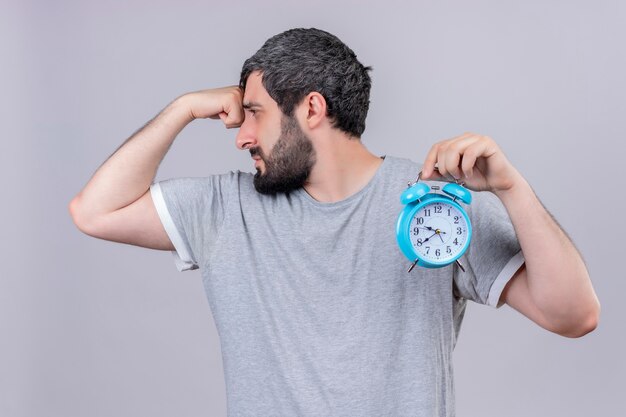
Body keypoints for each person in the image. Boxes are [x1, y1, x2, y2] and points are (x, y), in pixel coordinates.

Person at [69, 28, 600, 416]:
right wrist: (183, 108)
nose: (240, 134)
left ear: (312, 109)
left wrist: (512, 189)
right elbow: (94, 212)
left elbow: (573, 315)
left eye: (254, 111)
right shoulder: (224, 208)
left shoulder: (435, 205)